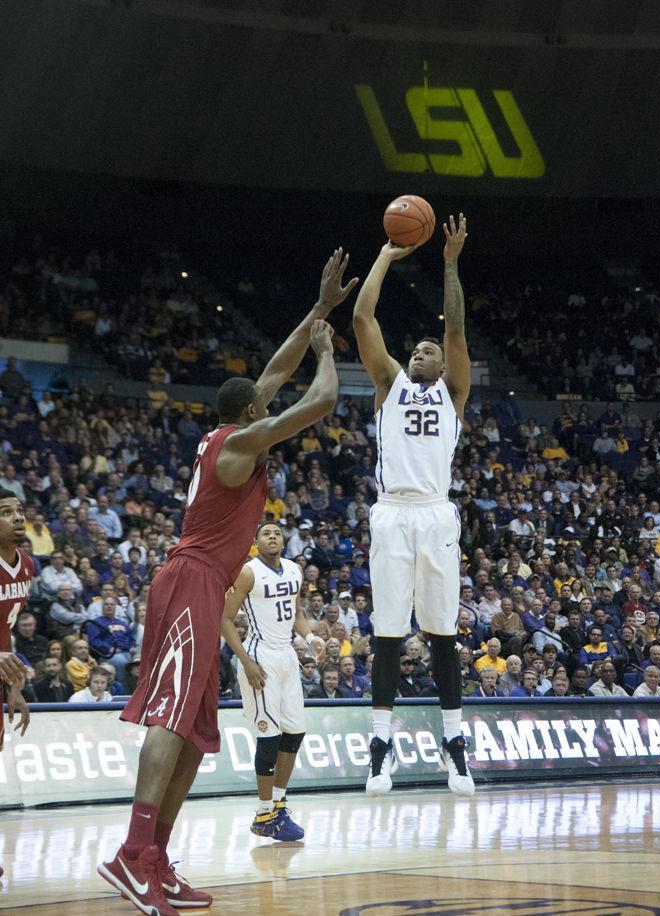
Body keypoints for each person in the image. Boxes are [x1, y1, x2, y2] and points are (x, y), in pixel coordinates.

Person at [99, 251, 353, 914]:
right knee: (170, 716)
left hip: (205, 583)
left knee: (194, 734)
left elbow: (273, 369)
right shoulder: (240, 447)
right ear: (251, 415)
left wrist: (320, 308)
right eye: (263, 408)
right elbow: (319, 398)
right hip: (191, 579)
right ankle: (131, 852)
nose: (270, 410)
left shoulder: (229, 435)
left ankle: (156, 858)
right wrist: (328, 347)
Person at [352, 214, 474, 797]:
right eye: (418, 349)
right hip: (392, 513)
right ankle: (380, 748)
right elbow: (362, 317)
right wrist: (386, 255)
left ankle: (456, 746)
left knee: (443, 632)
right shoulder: (389, 384)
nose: (424, 352)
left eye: (431, 349)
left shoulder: (453, 391)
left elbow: (457, 332)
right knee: (388, 634)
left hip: (435, 512)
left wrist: (449, 262)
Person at [221, 521, 324, 842]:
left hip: (287, 655)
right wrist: (246, 662)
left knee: (295, 732)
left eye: (277, 533)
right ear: (255, 542)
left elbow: (295, 612)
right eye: (266, 533)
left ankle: (278, 804)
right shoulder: (248, 572)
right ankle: (264, 812)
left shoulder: (294, 570)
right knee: (270, 736)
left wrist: (310, 638)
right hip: (259, 653)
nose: (273, 537)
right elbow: (224, 619)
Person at [0, 489, 33, 878]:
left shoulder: (25, 564)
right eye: (6, 512)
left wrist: (14, 686)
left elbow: (6, 634)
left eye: (19, 511)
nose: (17, 517)